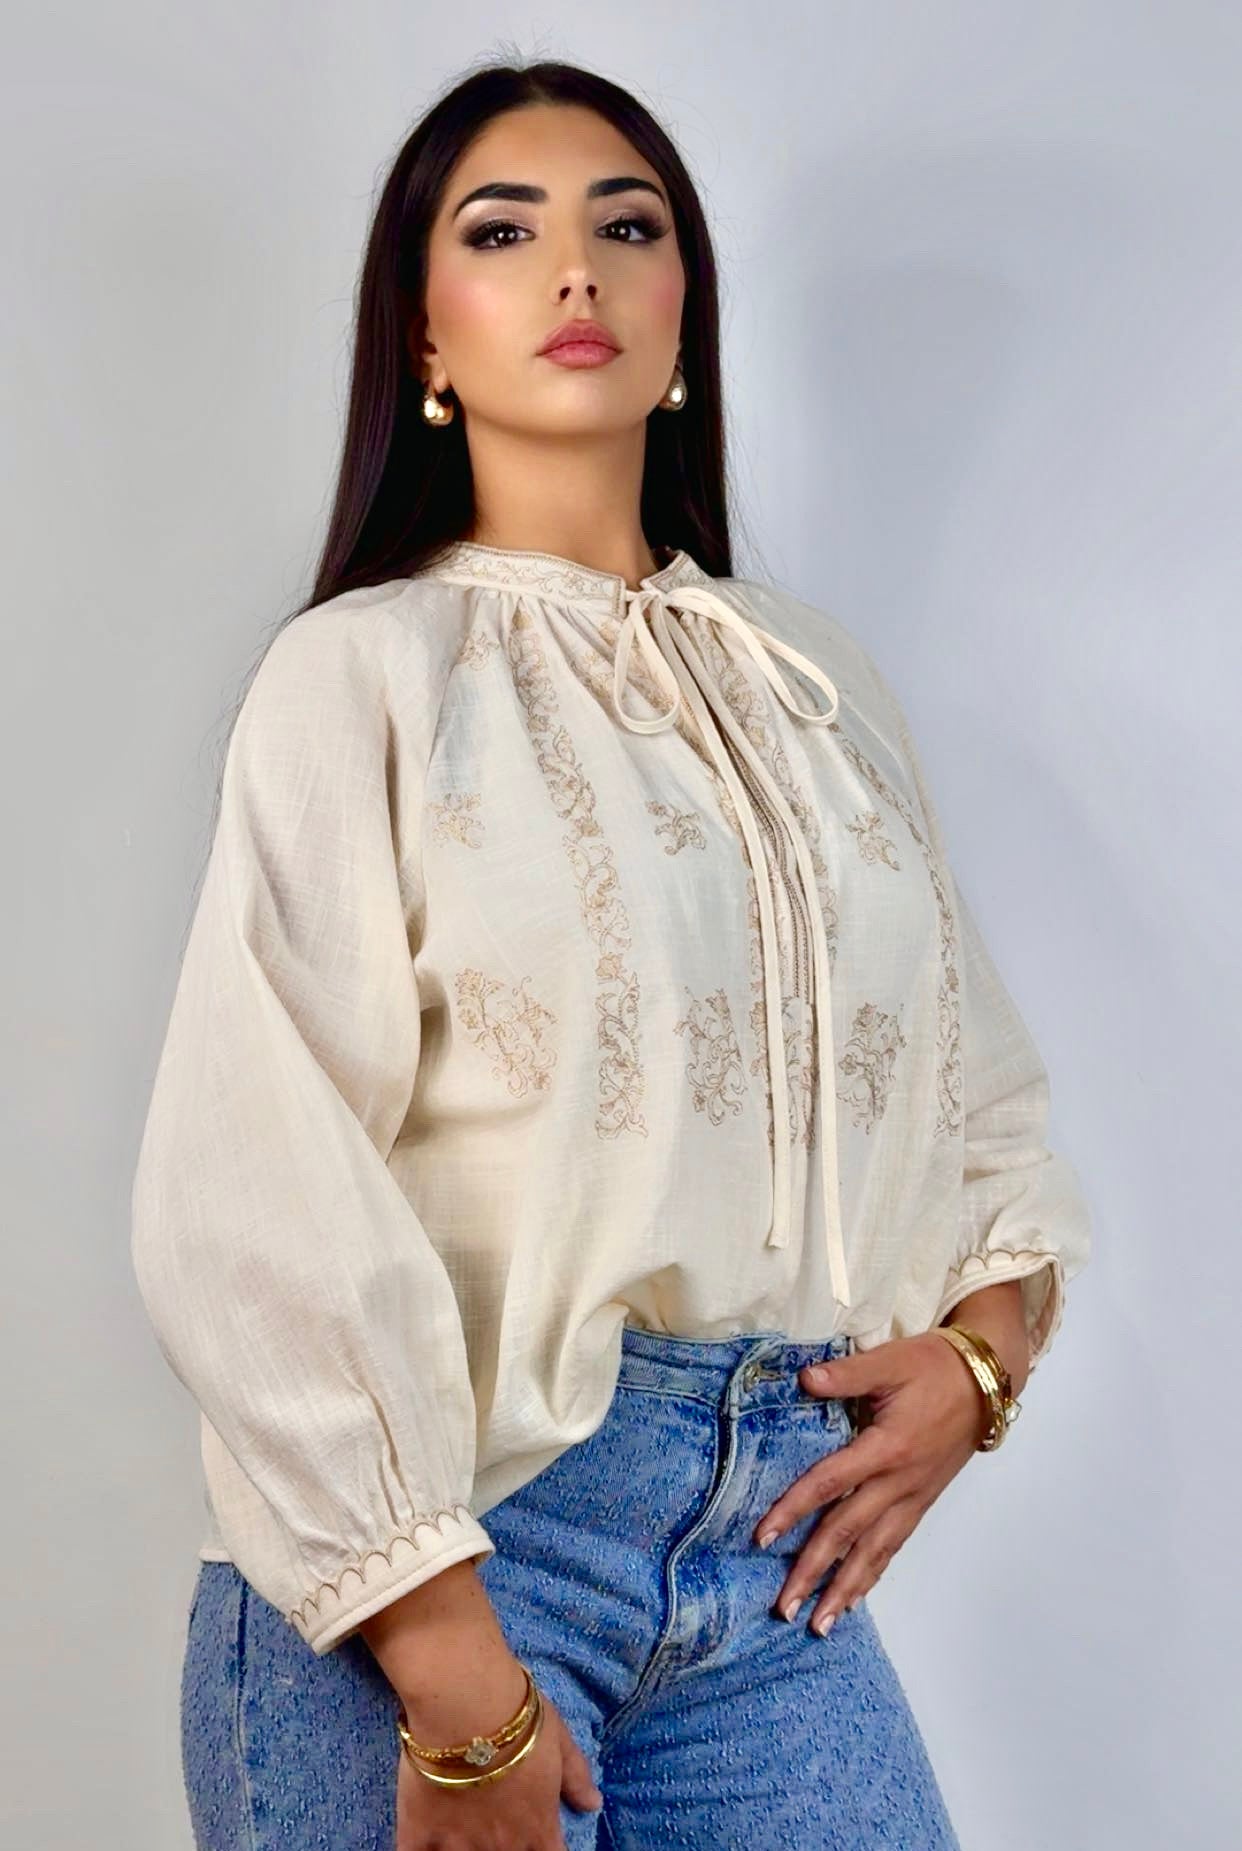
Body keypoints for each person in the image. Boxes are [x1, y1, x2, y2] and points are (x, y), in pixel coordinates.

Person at [130, 57, 1092, 1851]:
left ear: (683, 316)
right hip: (448, 1562)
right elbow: (252, 1184)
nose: (576, 268)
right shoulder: (366, 674)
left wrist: (978, 1364)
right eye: (503, 233)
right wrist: (446, 1662)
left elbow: (977, 1099)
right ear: (423, 336)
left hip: (777, 1576)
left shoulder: (813, 683)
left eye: (627, 227)